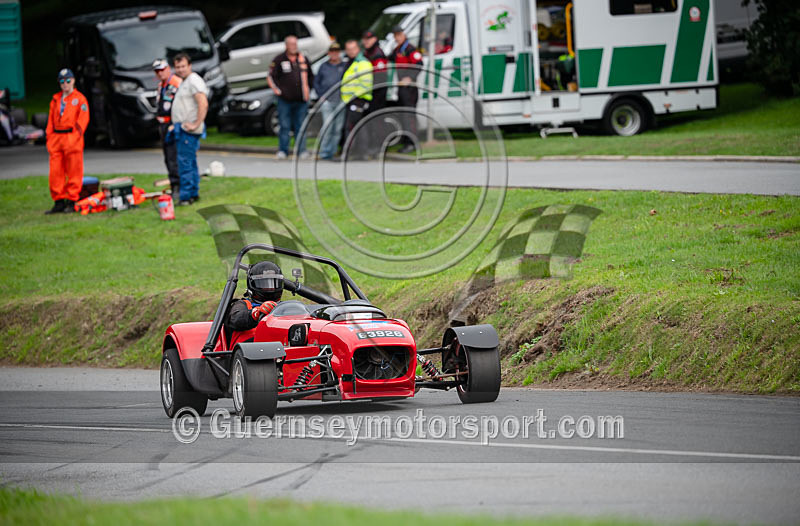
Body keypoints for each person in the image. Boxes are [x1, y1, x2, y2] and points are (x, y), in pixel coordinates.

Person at [44, 68, 89, 214]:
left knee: (74, 170)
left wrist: (75, 137)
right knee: (55, 171)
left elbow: (83, 120)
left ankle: (72, 200)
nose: (65, 84)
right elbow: (50, 120)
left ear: (73, 81)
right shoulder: (56, 99)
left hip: (72, 137)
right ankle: (58, 201)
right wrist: (49, 137)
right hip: (56, 138)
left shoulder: (80, 99)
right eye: (62, 81)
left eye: (68, 81)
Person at [170, 52, 208, 206]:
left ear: (190, 66)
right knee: (190, 162)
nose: (180, 69)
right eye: (177, 67)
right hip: (183, 128)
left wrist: (196, 123)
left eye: (183, 66)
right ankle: (193, 192)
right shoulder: (184, 81)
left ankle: (186, 197)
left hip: (188, 130)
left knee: (185, 163)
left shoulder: (193, 81)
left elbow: (203, 103)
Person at [268, 35, 313, 160]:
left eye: (295, 44)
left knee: (301, 126)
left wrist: (309, 89)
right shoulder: (279, 60)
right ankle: (283, 150)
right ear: (286, 45)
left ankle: (301, 150)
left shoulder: (303, 59)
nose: (294, 47)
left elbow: (311, 76)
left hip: (301, 100)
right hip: (285, 100)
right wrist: (278, 91)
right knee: (285, 126)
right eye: (291, 44)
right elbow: (271, 76)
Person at [388, 26, 423, 154]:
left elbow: (419, 64)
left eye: (399, 35)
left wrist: (410, 77)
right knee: (403, 115)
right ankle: (406, 140)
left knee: (409, 116)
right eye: (395, 35)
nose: (397, 37)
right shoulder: (398, 49)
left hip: (410, 88)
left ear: (404, 35)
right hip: (401, 88)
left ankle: (412, 143)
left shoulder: (410, 49)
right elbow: (389, 59)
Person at [226, 261, 283, 332]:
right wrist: (256, 313)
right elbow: (235, 319)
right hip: (249, 342)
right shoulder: (242, 305)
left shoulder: (284, 306)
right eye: (264, 284)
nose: (270, 288)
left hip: (280, 341)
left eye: (273, 284)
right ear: (252, 285)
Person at [152, 58, 182, 197]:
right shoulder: (161, 85)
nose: (160, 73)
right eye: (157, 71)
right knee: (167, 156)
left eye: (162, 70)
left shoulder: (175, 83)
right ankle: (173, 183)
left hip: (173, 124)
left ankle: (178, 185)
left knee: (173, 155)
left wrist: (174, 124)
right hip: (163, 125)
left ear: (168, 68)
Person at [312, 42, 346, 160]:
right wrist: (321, 96)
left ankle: (332, 151)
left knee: (337, 129)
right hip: (327, 101)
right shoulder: (323, 66)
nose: (334, 54)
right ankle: (324, 152)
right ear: (328, 53)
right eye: (332, 52)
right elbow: (316, 83)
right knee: (327, 127)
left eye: (336, 52)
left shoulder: (345, 65)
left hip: (341, 101)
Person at [340, 39, 373, 160]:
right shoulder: (351, 62)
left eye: (353, 49)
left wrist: (356, 98)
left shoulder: (362, 63)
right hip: (351, 100)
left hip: (358, 99)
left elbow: (366, 84)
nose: (351, 51)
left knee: (350, 127)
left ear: (358, 49)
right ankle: (362, 153)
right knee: (360, 127)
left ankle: (346, 153)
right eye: (348, 49)